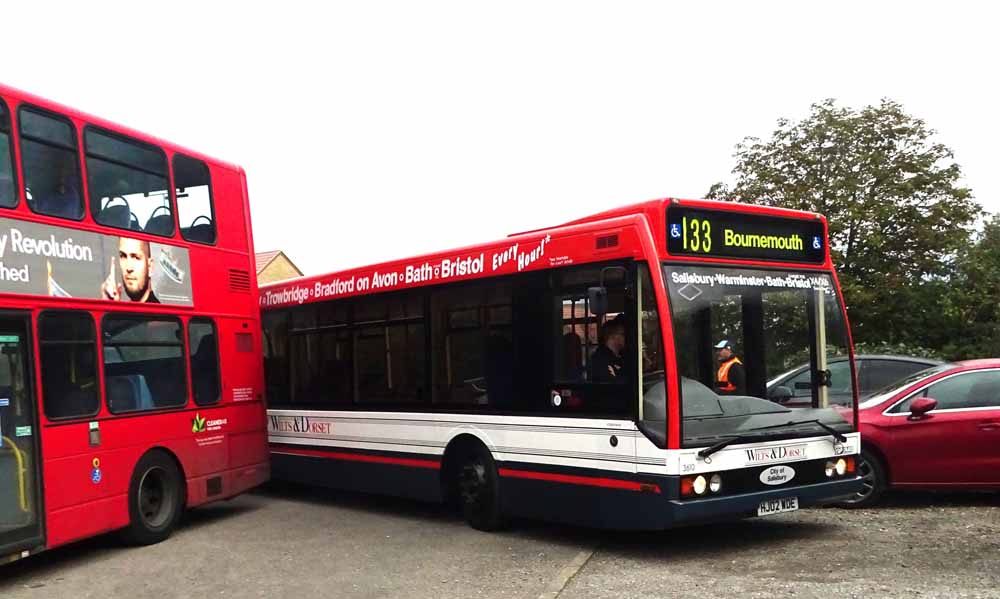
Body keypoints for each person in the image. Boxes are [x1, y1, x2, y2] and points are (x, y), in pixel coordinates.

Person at [101, 236, 160, 303]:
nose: (129, 268)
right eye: (123, 256)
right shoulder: (123, 309)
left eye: (136, 258)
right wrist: (109, 306)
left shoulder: (160, 312)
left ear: (150, 267)